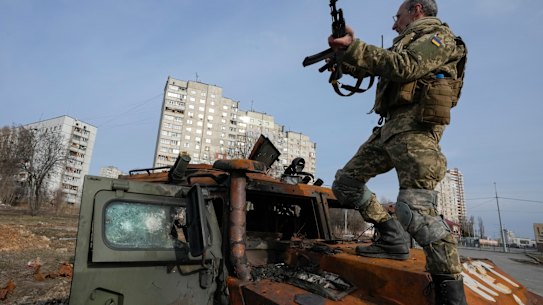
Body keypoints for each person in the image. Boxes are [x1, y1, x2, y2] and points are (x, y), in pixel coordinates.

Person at [327, 0, 468, 304]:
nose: (394, 24)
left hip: (416, 130)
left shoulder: (439, 38)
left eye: (397, 16)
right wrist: (345, 53)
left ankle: (451, 294)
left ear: (417, 9)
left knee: (415, 210)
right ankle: (390, 237)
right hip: (389, 129)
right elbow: (377, 65)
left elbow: (407, 67)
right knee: (346, 184)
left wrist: (356, 47)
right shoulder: (405, 44)